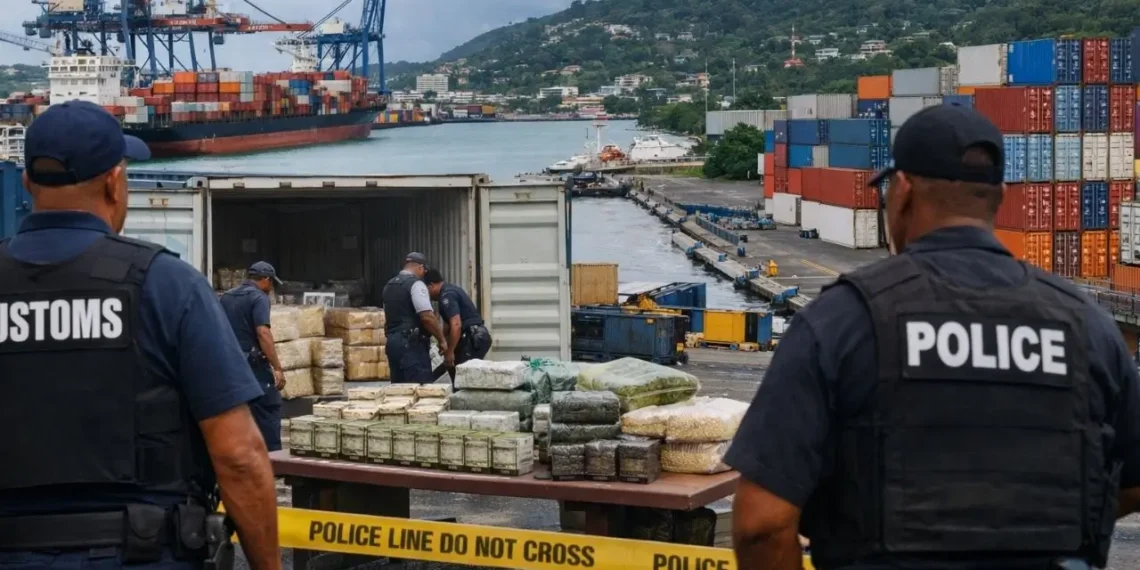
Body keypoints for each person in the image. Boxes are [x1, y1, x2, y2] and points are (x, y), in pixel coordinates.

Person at [726, 105, 1140, 570]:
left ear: (901, 192)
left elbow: (762, 525)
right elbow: (1132, 482)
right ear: (998, 195)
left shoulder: (843, 320)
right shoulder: (1091, 326)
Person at [0, 101, 280, 570]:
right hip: (142, 552)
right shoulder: (165, 283)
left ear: (28, 183)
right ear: (114, 181)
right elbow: (238, 456)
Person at [219, 261, 288, 452]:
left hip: (230, 367)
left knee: (237, 416)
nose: (271, 288)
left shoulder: (226, 297)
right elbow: (263, 333)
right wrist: (278, 368)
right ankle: (273, 463)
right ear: (265, 280)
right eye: (271, 283)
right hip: (254, 367)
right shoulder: (259, 298)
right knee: (268, 409)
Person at [382, 252, 447, 383]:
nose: (424, 274)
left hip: (393, 343)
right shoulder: (416, 285)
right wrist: (441, 339)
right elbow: (427, 317)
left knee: (399, 390)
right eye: (424, 270)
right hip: (412, 345)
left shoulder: (389, 285)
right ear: (419, 267)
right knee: (419, 390)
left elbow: (387, 318)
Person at [423, 269, 491, 377]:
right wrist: (443, 341)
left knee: (463, 378)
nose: (425, 295)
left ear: (431, 285)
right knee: (455, 373)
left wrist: (450, 352)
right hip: (474, 337)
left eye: (425, 290)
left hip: (473, 338)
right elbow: (447, 324)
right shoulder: (448, 292)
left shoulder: (447, 295)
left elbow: (456, 325)